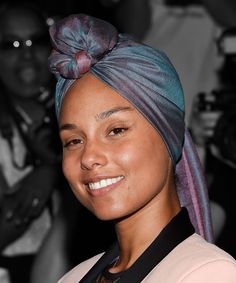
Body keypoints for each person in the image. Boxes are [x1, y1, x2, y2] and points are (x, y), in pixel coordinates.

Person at [47, 13, 236, 282]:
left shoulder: (207, 273)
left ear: (168, 134)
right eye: (74, 141)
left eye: (116, 130)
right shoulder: (72, 278)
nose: (88, 157)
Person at [0, 2, 63, 282]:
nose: (26, 55)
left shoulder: (81, 108)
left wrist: (53, 169)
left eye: (35, 41)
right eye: (10, 45)